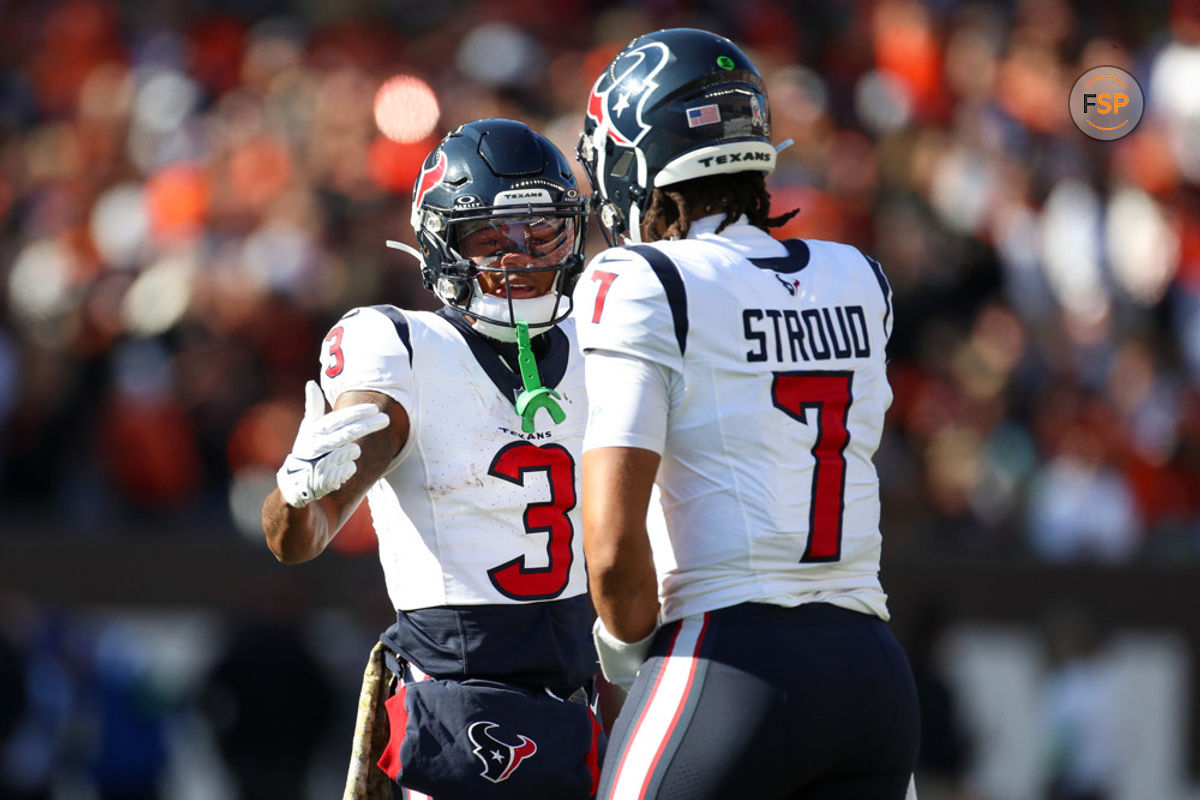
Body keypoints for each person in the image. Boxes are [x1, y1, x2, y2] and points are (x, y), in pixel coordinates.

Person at [572, 28, 920, 799]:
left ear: (638, 160)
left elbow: (610, 547)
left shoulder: (641, 279)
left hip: (727, 664)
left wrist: (624, 649)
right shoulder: (858, 275)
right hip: (871, 674)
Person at [262, 118, 604, 799]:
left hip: (586, 692)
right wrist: (295, 495)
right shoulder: (403, 351)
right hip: (459, 704)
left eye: (543, 233)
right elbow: (296, 542)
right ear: (442, 244)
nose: (521, 258)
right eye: (491, 238)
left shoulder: (605, 331)